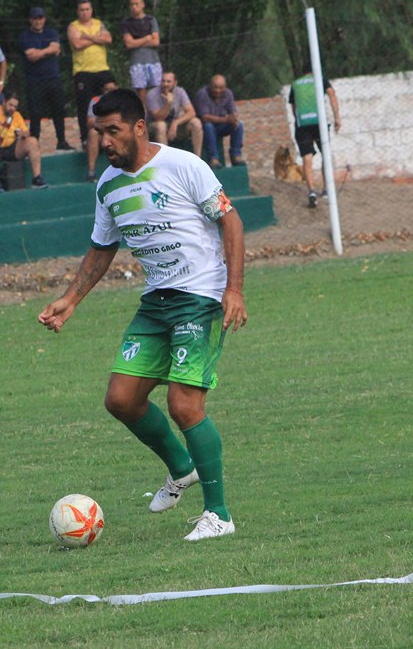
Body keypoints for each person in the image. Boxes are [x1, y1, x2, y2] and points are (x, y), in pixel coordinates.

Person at [38, 89, 247, 542]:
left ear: (138, 127)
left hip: (201, 295)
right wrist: (70, 300)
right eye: (99, 133)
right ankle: (181, 468)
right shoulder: (108, 184)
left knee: (184, 404)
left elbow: (230, 221)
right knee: (121, 399)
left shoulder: (183, 166)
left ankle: (220, 515)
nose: (105, 141)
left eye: (113, 131)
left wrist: (234, 289)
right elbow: (102, 247)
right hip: (157, 301)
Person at [18, 7, 71, 150]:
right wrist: (49, 51)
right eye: (35, 18)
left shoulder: (51, 32)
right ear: (30, 20)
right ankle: (34, 143)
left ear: (44, 19)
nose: (38, 21)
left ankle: (61, 141)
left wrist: (41, 52)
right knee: (35, 113)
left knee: (58, 110)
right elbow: (32, 56)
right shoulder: (25, 36)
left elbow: (54, 49)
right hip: (34, 80)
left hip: (53, 78)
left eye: (40, 18)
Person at [289, 66, 342, 208]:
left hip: (302, 125)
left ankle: (312, 191)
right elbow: (331, 94)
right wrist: (337, 117)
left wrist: (298, 120)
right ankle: (326, 189)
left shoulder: (295, 84)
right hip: (320, 123)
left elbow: (294, 107)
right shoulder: (320, 80)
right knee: (326, 155)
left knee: (307, 158)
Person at [0, 93, 49, 192]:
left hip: (11, 148)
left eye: (15, 106)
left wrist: (24, 134)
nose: (12, 108)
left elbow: (26, 131)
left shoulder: (17, 115)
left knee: (32, 141)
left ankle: (37, 178)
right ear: (4, 102)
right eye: (10, 105)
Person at [68, 0, 113, 147]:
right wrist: (96, 39)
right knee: (84, 105)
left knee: (113, 98)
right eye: (82, 10)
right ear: (77, 11)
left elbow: (108, 39)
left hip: (102, 68)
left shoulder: (99, 24)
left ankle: (112, 132)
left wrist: (87, 37)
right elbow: (77, 43)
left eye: (87, 9)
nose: (85, 12)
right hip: (83, 71)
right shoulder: (73, 26)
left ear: (91, 10)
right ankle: (85, 139)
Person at [145, 71, 203, 157]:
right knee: (161, 125)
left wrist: (176, 123)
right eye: (163, 81)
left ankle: (198, 158)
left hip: (174, 126)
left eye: (168, 81)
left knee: (196, 122)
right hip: (154, 127)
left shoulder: (180, 91)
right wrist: (168, 103)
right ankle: (165, 159)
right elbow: (158, 118)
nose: (165, 84)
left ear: (175, 83)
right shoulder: (152, 94)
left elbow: (191, 112)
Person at [193, 75, 245, 169]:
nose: (218, 90)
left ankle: (235, 155)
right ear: (210, 86)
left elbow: (232, 111)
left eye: (221, 88)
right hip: (204, 128)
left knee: (239, 125)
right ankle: (213, 159)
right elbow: (205, 117)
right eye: (215, 87)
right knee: (208, 126)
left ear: (225, 87)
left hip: (221, 126)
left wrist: (233, 118)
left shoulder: (228, 94)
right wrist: (226, 119)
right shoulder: (202, 94)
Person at [120, 0, 161, 101]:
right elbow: (129, 44)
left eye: (137, 4)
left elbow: (156, 41)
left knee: (157, 90)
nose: (134, 7)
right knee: (141, 93)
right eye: (131, 4)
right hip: (136, 62)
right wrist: (146, 38)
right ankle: (144, 115)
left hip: (153, 60)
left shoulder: (151, 20)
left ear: (143, 5)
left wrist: (136, 42)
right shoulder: (126, 23)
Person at [84, 74, 118, 182]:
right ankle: (91, 172)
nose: (109, 92)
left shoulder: (122, 100)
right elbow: (90, 122)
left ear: (117, 88)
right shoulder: (95, 100)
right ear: (102, 90)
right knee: (92, 133)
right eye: (106, 89)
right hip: (102, 133)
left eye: (111, 89)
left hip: (117, 132)